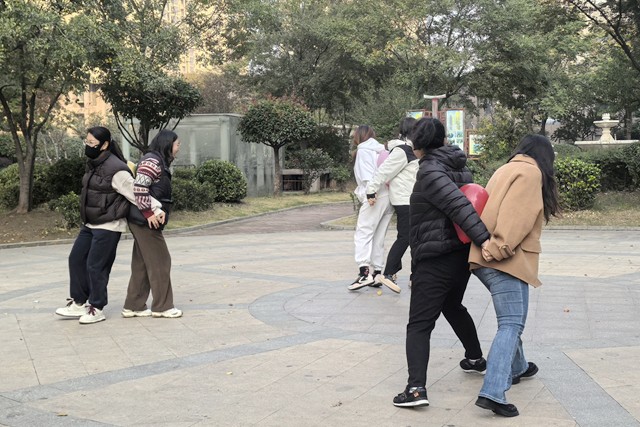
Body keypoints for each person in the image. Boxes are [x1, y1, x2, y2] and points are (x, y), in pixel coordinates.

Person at [393, 117, 490, 407]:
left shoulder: (431, 171)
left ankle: (415, 389)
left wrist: (484, 240)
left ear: (417, 144)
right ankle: (475, 358)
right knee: (452, 305)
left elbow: (459, 206)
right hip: (458, 255)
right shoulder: (455, 165)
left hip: (437, 256)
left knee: (419, 324)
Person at [469, 134, 559, 417]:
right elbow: (515, 218)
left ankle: (518, 367)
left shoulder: (506, 168)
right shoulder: (531, 173)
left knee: (514, 319)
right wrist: (498, 248)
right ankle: (493, 392)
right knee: (510, 324)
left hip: (493, 257)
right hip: (502, 259)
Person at [55, 126, 156, 324]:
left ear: (104, 145)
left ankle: (97, 307)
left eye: (92, 143)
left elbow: (136, 193)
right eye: (86, 142)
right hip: (91, 223)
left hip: (109, 224)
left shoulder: (117, 169)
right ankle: (79, 302)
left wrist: (155, 210)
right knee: (76, 259)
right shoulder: (93, 164)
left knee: (96, 266)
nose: (88, 146)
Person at [122, 130, 183, 318]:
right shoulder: (151, 161)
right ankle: (163, 307)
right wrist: (149, 213)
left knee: (141, 263)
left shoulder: (157, 161)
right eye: (177, 144)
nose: (178, 148)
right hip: (146, 220)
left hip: (143, 219)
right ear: (167, 144)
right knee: (161, 261)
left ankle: (134, 305)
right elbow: (139, 188)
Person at [365, 117, 418, 293]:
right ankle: (388, 273)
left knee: (415, 238)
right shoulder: (402, 151)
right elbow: (383, 172)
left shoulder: (410, 149)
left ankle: (414, 276)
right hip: (404, 200)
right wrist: (371, 190)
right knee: (405, 237)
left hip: (411, 199)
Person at [348, 125, 394, 291]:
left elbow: (367, 176)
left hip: (373, 195)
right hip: (388, 196)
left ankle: (364, 273)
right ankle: (377, 273)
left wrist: (370, 194)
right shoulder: (382, 150)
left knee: (363, 232)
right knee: (379, 236)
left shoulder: (363, 150)